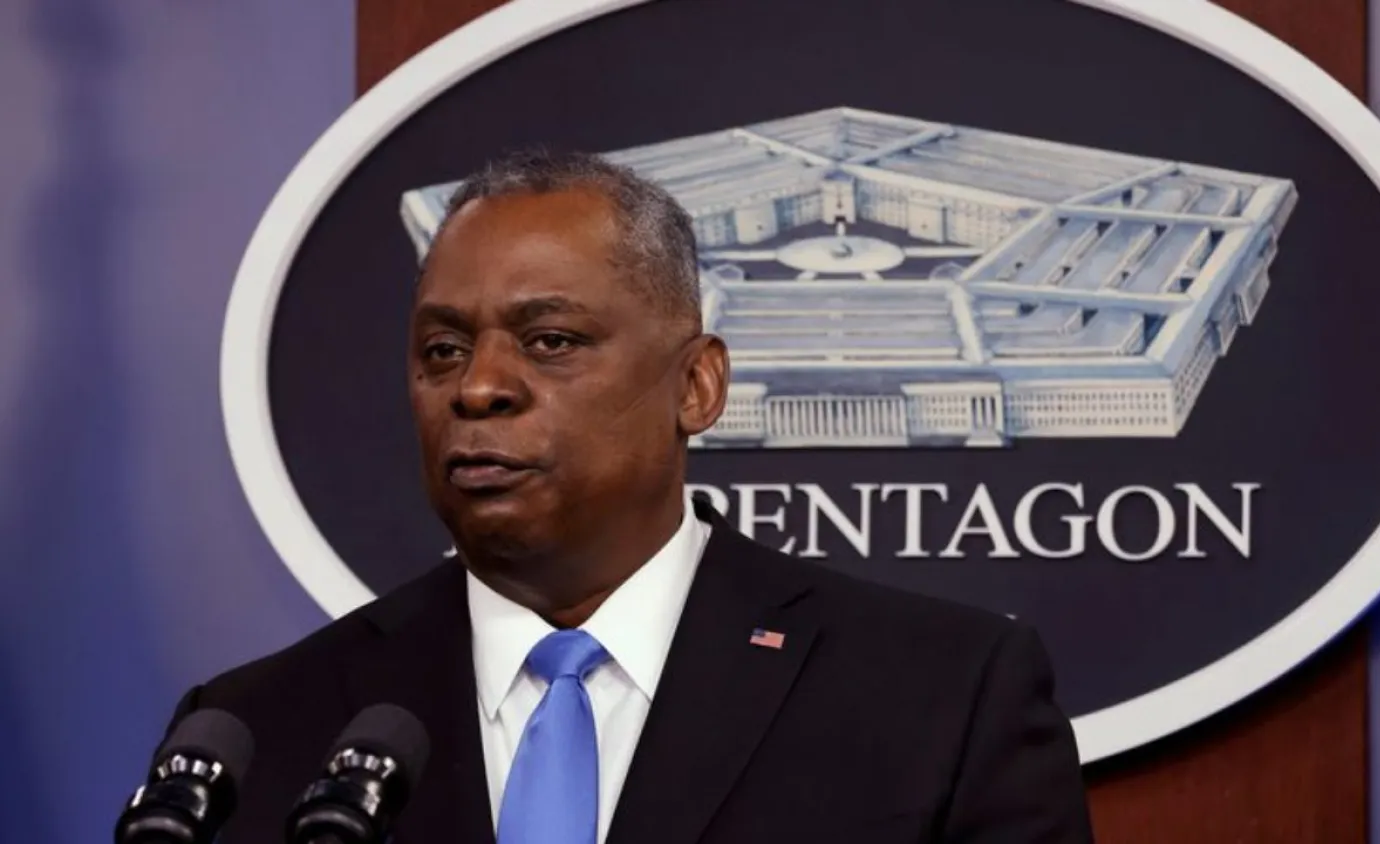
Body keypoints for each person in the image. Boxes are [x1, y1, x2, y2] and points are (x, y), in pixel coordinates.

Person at [160, 150, 1094, 843]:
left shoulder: (941, 696)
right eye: (443, 350)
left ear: (697, 386)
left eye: (550, 341)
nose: (477, 388)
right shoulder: (259, 728)